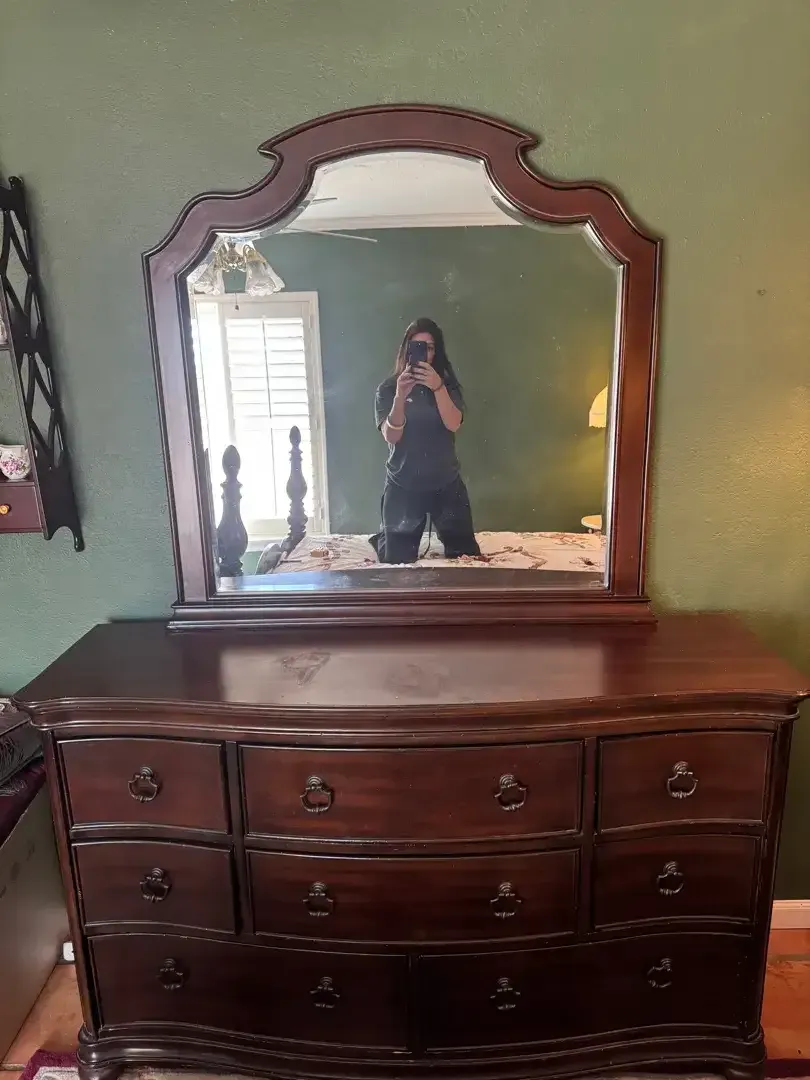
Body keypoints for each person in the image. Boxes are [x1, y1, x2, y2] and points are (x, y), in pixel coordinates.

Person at [371, 318, 480, 564]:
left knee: (466, 555)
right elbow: (391, 436)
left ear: (436, 352)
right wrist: (400, 396)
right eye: (417, 346)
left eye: (429, 347)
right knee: (396, 559)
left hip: (446, 483)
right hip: (403, 483)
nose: (424, 353)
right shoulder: (388, 388)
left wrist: (438, 387)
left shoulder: (447, 385)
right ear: (406, 349)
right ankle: (384, 539)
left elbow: (454, 424)